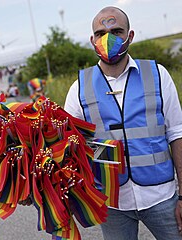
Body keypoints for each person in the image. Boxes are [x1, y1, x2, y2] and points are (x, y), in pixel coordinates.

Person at [64, 6, 182, 240]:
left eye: (116, 31)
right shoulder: (79, 87)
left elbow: (177, 134)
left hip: (161, 196)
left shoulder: (157, 74)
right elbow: (69, 146)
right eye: (100, 33)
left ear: (130, 36)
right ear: (92, 40)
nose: (107, 38)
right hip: (113, 203)